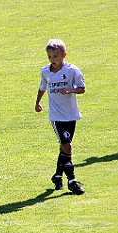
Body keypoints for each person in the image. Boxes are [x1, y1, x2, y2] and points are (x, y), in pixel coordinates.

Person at [35, 39, 85, 195]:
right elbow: (42, 86)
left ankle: (57, 176)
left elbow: (82, 88)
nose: (52, 59)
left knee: (65, 146)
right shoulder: (45, 71)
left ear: (64, 55)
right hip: (56, 117)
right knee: (67, 146)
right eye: (50, 56)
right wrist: (37, 102)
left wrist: (69, 90)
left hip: (71, 114)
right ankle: (72, 181)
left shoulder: (72, 70)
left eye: (56, 56)